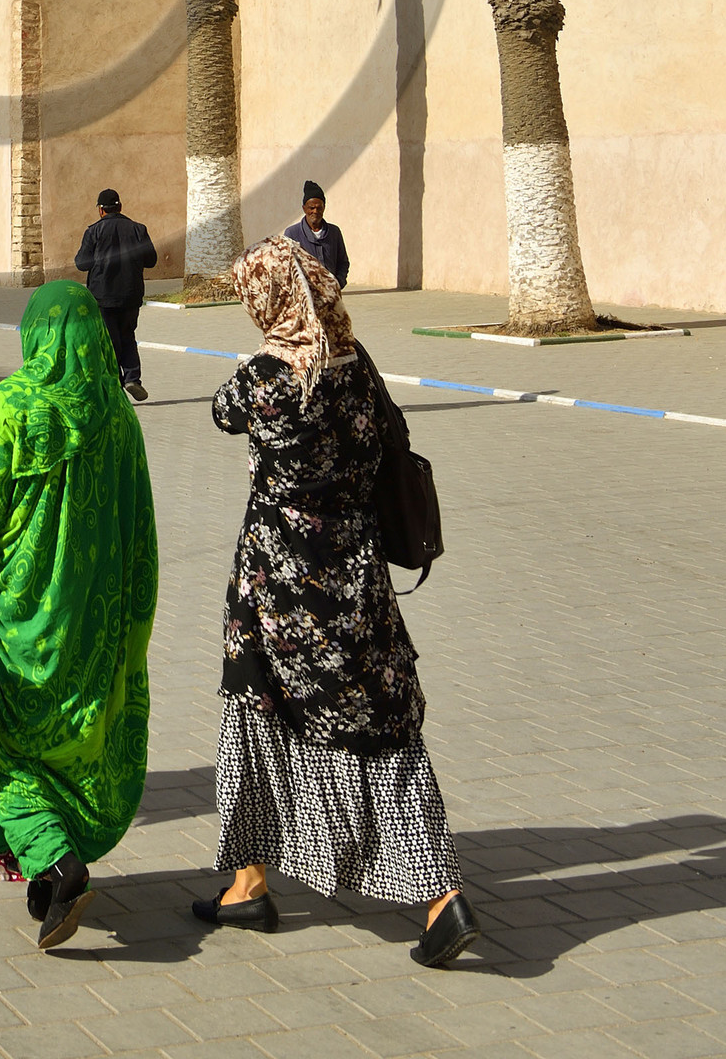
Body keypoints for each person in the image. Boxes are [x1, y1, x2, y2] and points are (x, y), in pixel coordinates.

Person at [196, 237, 477, 968]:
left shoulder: (260, 379)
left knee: (255, 712)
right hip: (359, 585)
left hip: (278, 591)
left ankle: (251, 878)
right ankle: (437, 898)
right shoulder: (358, 370)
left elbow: (222, 414)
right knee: (385, 726)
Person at [0, 280, 158, 953]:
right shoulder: (118, 413)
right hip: (93, 619)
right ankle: (54, 866)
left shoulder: (14, 405)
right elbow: (140, 526)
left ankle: (55, 861)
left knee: (8, 742)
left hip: (19, 620)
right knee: (72, 738)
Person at [72, 189, 157, 404]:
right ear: (120, 207)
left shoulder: (94, 232)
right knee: (128, 335)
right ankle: (132, 378)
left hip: (103, 296)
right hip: (131, 295)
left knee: (109, 341)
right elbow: (151, 260)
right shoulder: (138, 229)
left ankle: (115, 384)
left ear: (101, 210)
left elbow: (82, 263)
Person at [283, 180, 349, 290]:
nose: (315, 211)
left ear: (324, 208)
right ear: (304, 208)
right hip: (305, 298)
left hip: (331, 296)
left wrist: (338, 283)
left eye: (319, 208)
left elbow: (343, 262)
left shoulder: (334, 232)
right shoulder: (292, 234)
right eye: (311, 208)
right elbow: (286, 268)